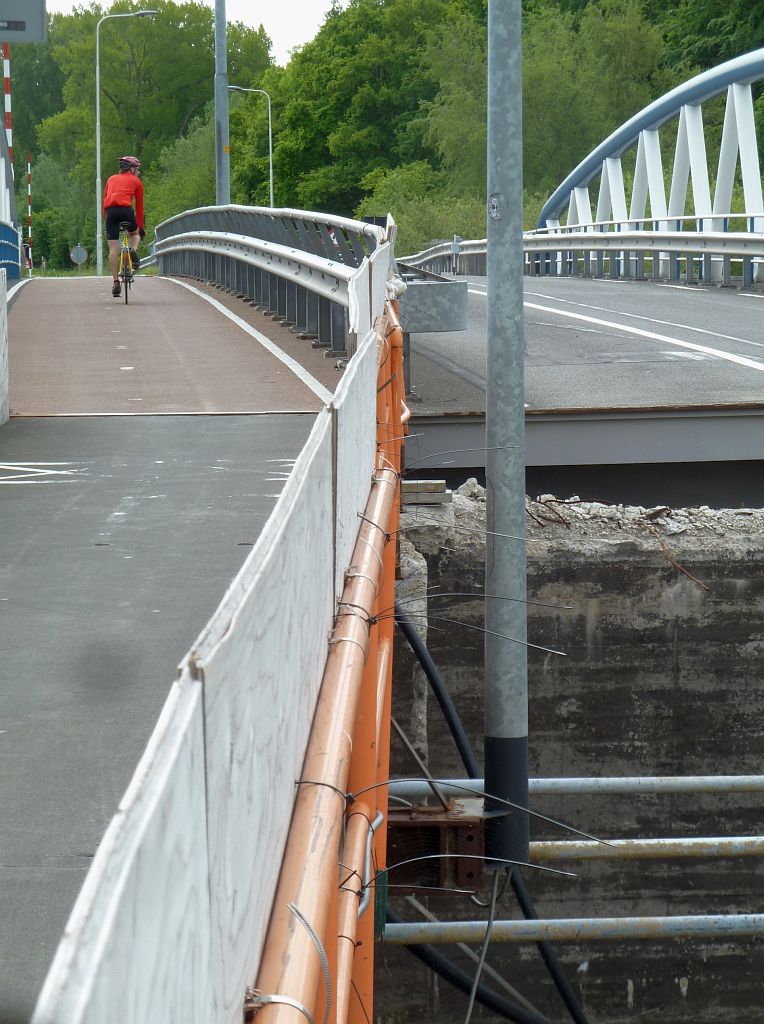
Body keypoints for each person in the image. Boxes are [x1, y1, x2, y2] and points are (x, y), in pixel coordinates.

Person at [103, 155, 145, 297]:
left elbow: (104, 201)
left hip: (111, 212)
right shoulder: (136, 181)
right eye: (137, 169)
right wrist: (140, 227)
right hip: (126, 210)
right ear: (131, 168)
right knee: (134, 234)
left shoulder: (110, 179)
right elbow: (139, 207)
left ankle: (116, 282)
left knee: (113, 247)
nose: (138, 172)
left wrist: (107, 220)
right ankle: (133, 250)